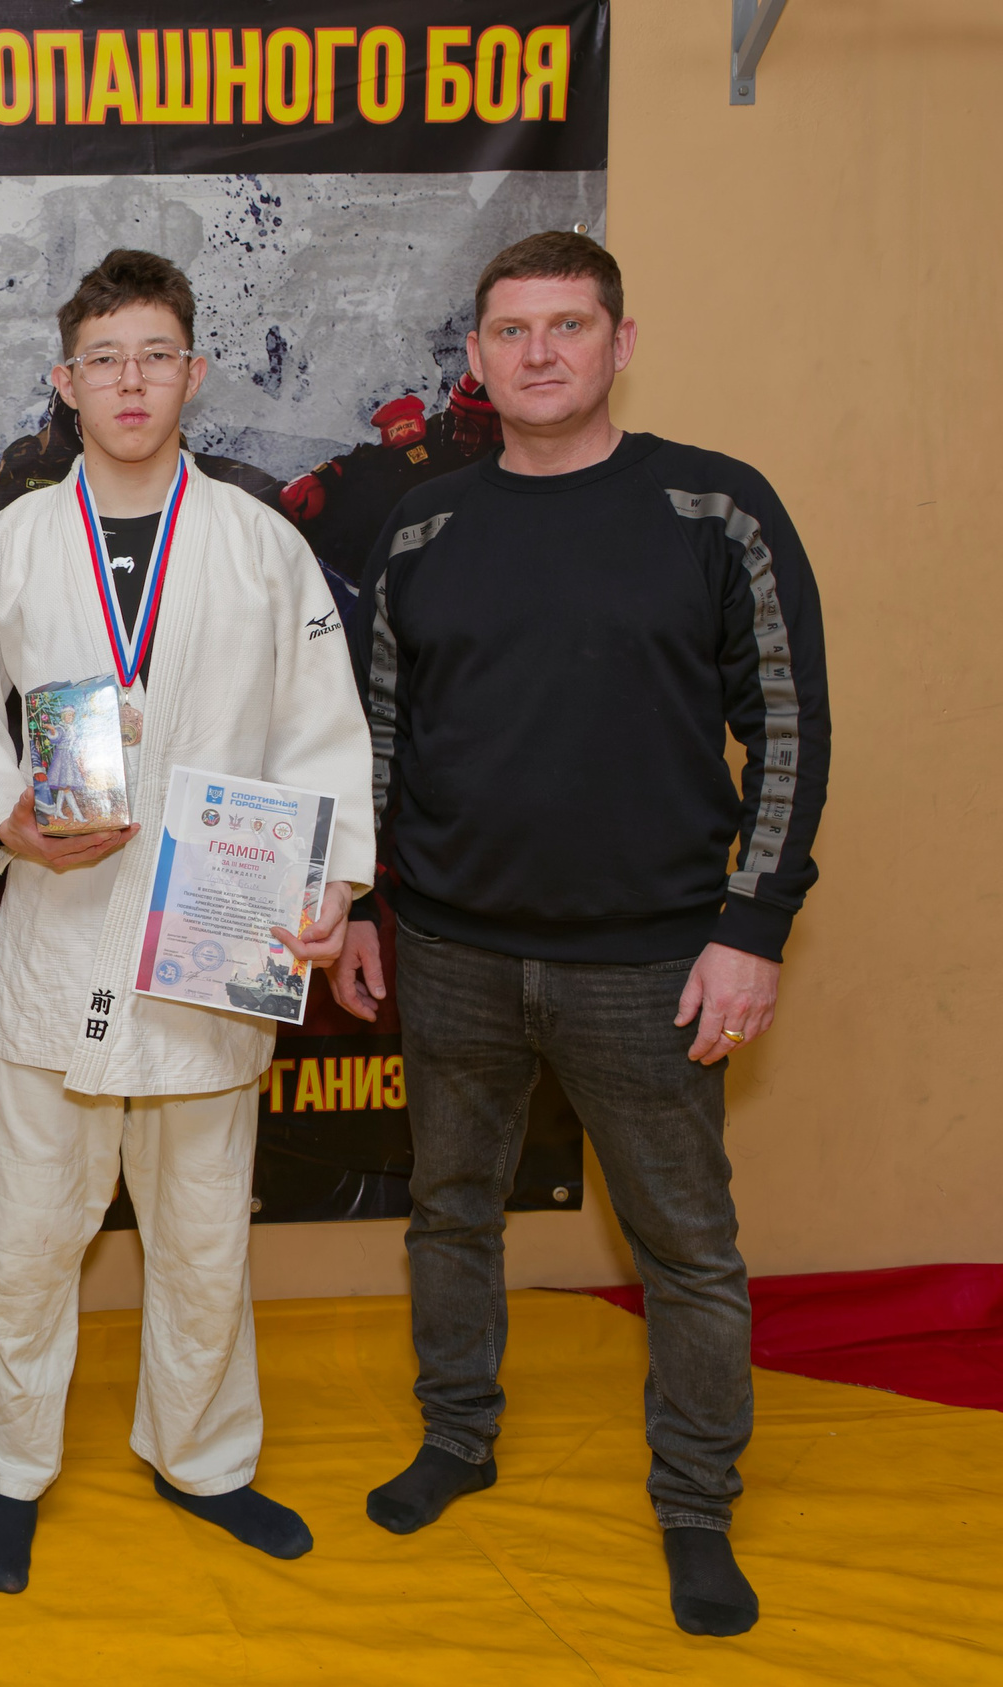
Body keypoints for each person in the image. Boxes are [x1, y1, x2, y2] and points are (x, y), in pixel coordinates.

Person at [331, 231, 830, 1640]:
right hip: (448, 948)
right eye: (511, 329)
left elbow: (788, 719)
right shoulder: (423, 528)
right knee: (450, 1207)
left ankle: (694, 1502)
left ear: (620, 341)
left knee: (687, 1246)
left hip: (656, 958)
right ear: (475, 359)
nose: (539, 351)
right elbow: (378, 734)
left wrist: (755, 921)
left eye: (567, 324)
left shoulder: (716, 508)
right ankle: (458, 1436)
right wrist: (368, 900)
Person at [0, 250, 375, 1594]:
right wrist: (5, 818)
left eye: (156, 354)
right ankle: (9, 1471)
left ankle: (206, 1457)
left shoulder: (261, 545)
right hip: (65, 930)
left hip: (213, 945)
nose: (130, 381)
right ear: (64, 382)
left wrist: (332, 878)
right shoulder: (4, 548)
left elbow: (321, 734)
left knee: (202, 1230)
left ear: (194, 372)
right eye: (104, 358)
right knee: (25, 1234)